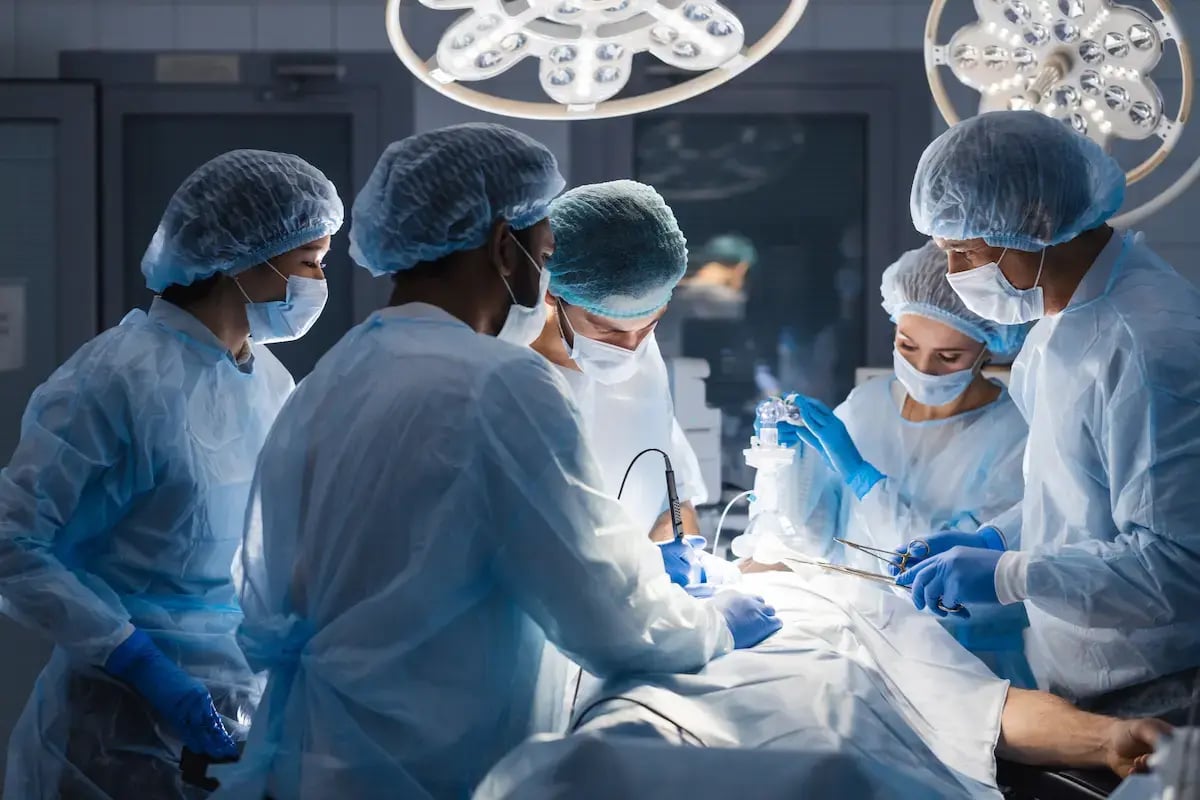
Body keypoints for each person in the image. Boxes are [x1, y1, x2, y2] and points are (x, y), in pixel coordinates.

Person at [213, 124, 780, 800]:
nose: (542, 282)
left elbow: (273, 584)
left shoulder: (333, 375)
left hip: (320, 751)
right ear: (503, 246)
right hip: (435, 762)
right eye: (543, 252)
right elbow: (605, 623)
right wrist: (715, 625)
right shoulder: (498, 384)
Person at [0, 149, 344, 798]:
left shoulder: (270, 382)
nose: (317, 285)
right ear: (243, 255)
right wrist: (138, 660)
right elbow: (12, 543)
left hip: (233, 726)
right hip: (106, 736)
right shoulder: (115, 377)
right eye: (309, 264)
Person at [897, 110, 1200, 720]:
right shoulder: (1061, 320)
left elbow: (1178, 568)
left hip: (1158, 686)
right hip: (1085, 669)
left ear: (1033, 227)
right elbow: (1073, 489)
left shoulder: (1147, 346)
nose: (955, 277)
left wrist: (1011, 575)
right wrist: (998, 536)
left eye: (963, 252)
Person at [761, 240, 1035, 686]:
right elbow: (816, 542)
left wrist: (863, 478)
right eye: (907, 346)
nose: (923, 369)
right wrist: (792, 459)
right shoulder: (867, 405)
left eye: (949, 357)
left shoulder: (1016, 436)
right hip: (859, 644)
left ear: (989, 348)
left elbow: (936, 575)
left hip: (967, 665)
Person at [531, 180, 724, 586]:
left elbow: (672, 497)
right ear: (552, 294)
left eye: (649, 326)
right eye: (609, 333)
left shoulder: (641, 356)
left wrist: (675, 550)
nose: (631, 348)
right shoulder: (507, 378)